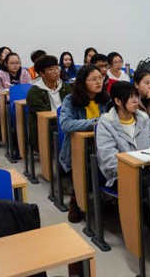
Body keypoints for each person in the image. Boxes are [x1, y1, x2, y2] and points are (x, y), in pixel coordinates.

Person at [59, 65, 109, 222]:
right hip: (79, 148)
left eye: (100, 78)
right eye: (93, 79)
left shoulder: (105, 99)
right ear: (82, 82)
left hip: (103, 144)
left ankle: (109, 197)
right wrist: (95, 123)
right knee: (88, 163)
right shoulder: (70, 100)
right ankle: (76, 199)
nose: (99, 82)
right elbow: (66, 124)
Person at [96, 82, 150, 188]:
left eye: (136, 96)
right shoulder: (106, 124)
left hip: (149, 169)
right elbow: (109, 160)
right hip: (121, 175)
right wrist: (136, 166)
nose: (136, 101)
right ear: (117, 101)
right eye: (131, 97)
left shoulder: (143, 118)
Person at [26, 55, 72, 155]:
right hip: (47, 126)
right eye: (51, 69)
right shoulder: (34, 92)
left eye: (57, 68)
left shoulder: (66, 87)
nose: (56, 71)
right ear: (42, 73)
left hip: (65, 121)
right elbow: (44, 115)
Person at [0, 52, 32, 138]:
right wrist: (12, 99)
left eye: (17, 63)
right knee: (4, 110)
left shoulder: (25, 73)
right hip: (2, 101)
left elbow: (29, 88)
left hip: (23, 101)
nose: (15, 65)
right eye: (12, 63)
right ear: (6, 64)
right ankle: (8, 135)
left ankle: (27, 134)